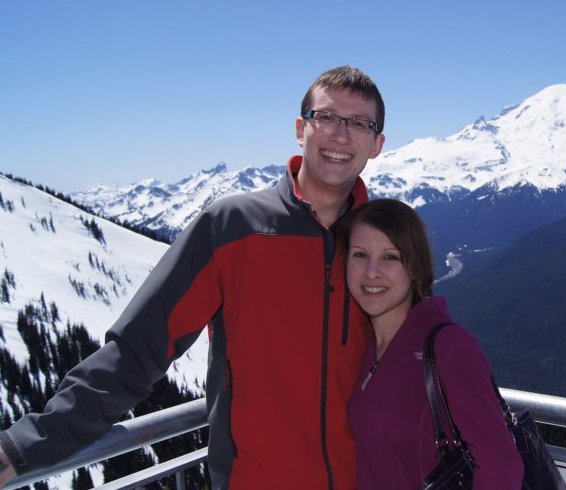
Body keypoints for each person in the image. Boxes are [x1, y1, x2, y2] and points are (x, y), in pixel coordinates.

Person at [0, 65, 386, 489]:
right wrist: (24, 446)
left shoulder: (385, 242)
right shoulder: (231, 228)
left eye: (359, 123)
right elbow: (138, 349)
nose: (340, 134)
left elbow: (420, 352)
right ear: (301, 129)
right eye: (326, 117)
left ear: (377, 144)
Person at [341, 199, 524, 489]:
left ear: (415, 267)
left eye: (390, 257)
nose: (371, 272)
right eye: (360, 255)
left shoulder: (449, 348)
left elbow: (501, 466)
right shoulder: (366, 345)